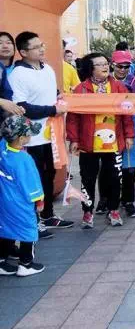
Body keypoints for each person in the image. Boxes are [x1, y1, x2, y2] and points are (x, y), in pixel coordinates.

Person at [10, 32, 73, 237]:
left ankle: (47, 214)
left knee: (49, 174)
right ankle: (33, 220)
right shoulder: (18, 74)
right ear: (23, 52)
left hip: (51, 134)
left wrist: (60, 102)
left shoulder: (48, 69)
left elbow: (53, 94)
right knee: (33, 177)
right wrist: (52, 110)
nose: (42, 49)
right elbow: (22, 107)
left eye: (42, 45)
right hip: (30, 137)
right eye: (36, 47)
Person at [67, 53, 135, 228]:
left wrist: (129, 135)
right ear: (90, 68)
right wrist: (74, 139)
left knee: (114, 178)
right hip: (88, 143)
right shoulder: (81, 89)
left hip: (113, 142)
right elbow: (73, 117)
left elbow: (127, 113)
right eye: (99, 64)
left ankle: (113, 210)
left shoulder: (119, 87)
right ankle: (87, 212)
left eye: (106, 63)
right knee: (87, 179)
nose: (105, 67)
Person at [0, 116, 46, 276]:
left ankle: (1, 261)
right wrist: (39, 201)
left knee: (6, 228)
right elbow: (32, 184)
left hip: (4, 200)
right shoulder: (24, 159)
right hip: (21, 202)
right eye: (28, 134)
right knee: (29, 230)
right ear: (21, 139)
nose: (30, 136)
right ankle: (26, 264)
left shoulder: (2, 148)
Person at [111, 50, 135, 218]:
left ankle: (128, 201)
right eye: (120, 66)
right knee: (110, 166)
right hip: (110, 126)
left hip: (131, 125)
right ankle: (107, 200)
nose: (123, 69)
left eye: (126, 66)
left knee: (130, 166)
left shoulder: (134, 81)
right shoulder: (106, 82)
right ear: (113, 65)